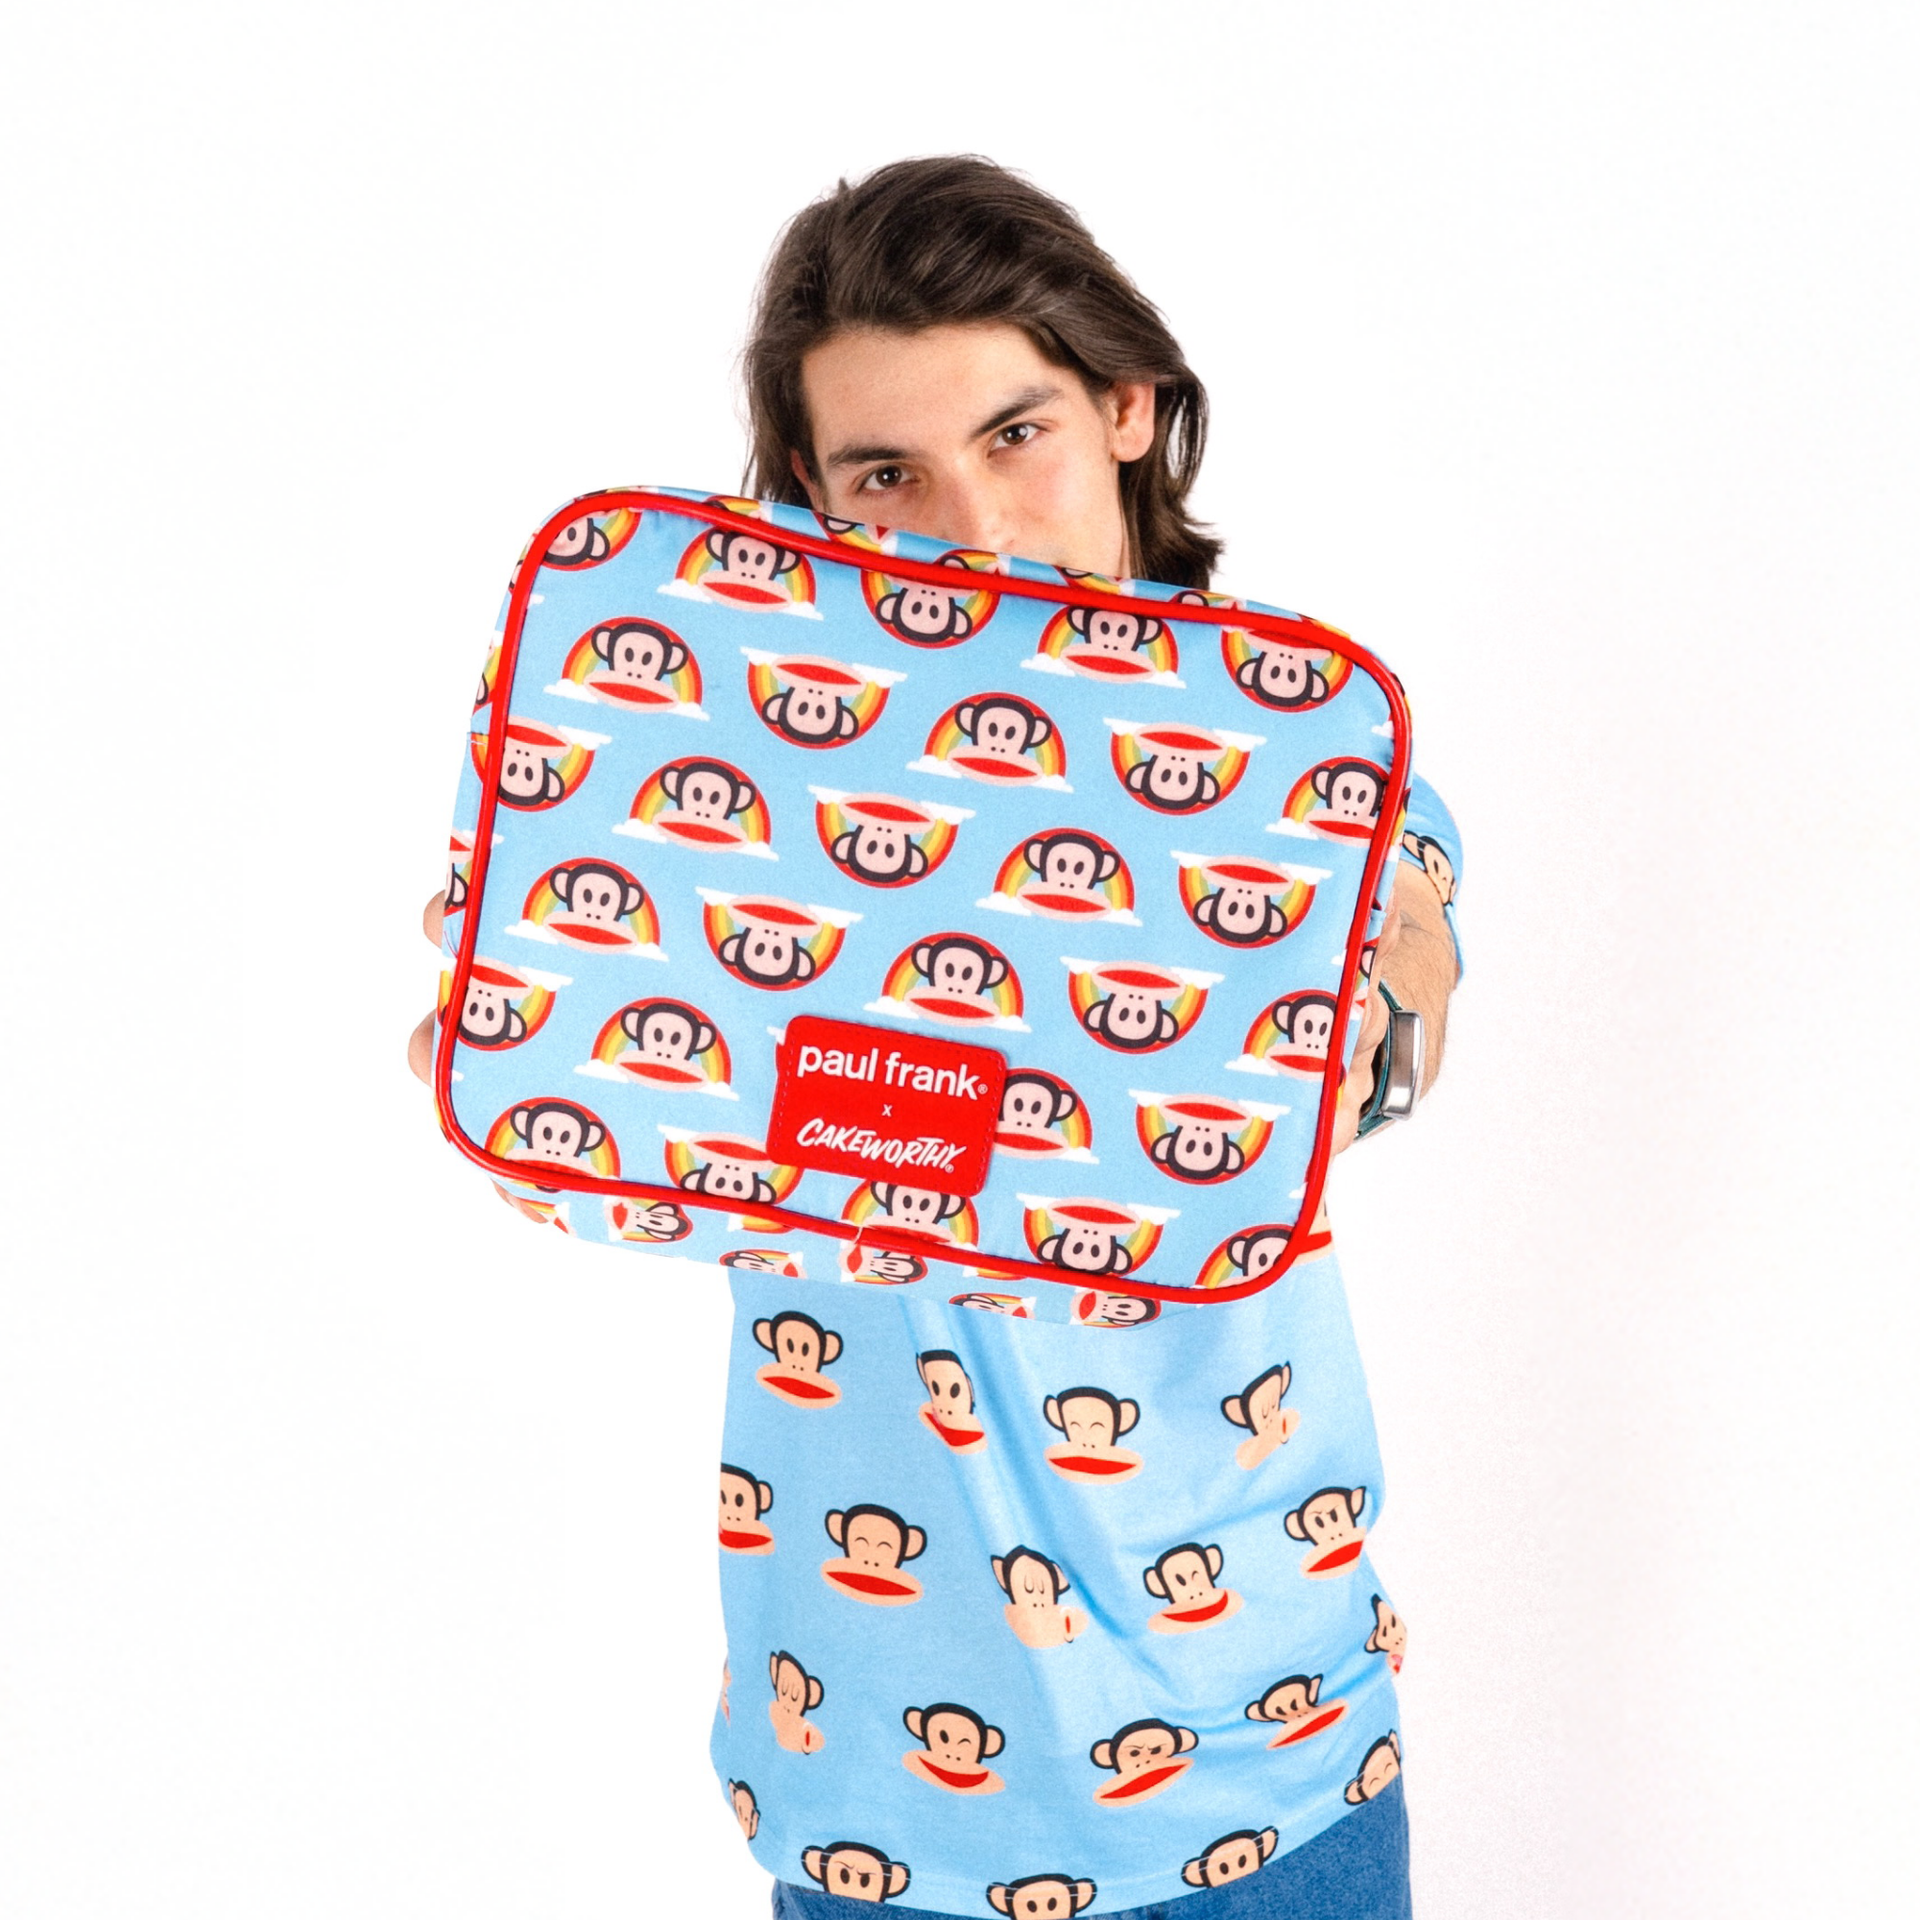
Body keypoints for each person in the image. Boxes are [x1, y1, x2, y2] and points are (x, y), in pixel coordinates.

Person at [411, 156, 1461, 1919]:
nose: (967, 528)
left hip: (1261, 1757)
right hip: (871, 1779)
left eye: (1014, 435)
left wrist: (1359, 1005)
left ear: (1128, 409)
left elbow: (1368, 1033)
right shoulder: (728, 782)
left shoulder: (1307, 782)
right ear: (810, 495)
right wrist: (546, 986)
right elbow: (559, 1138)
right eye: (885, 473)